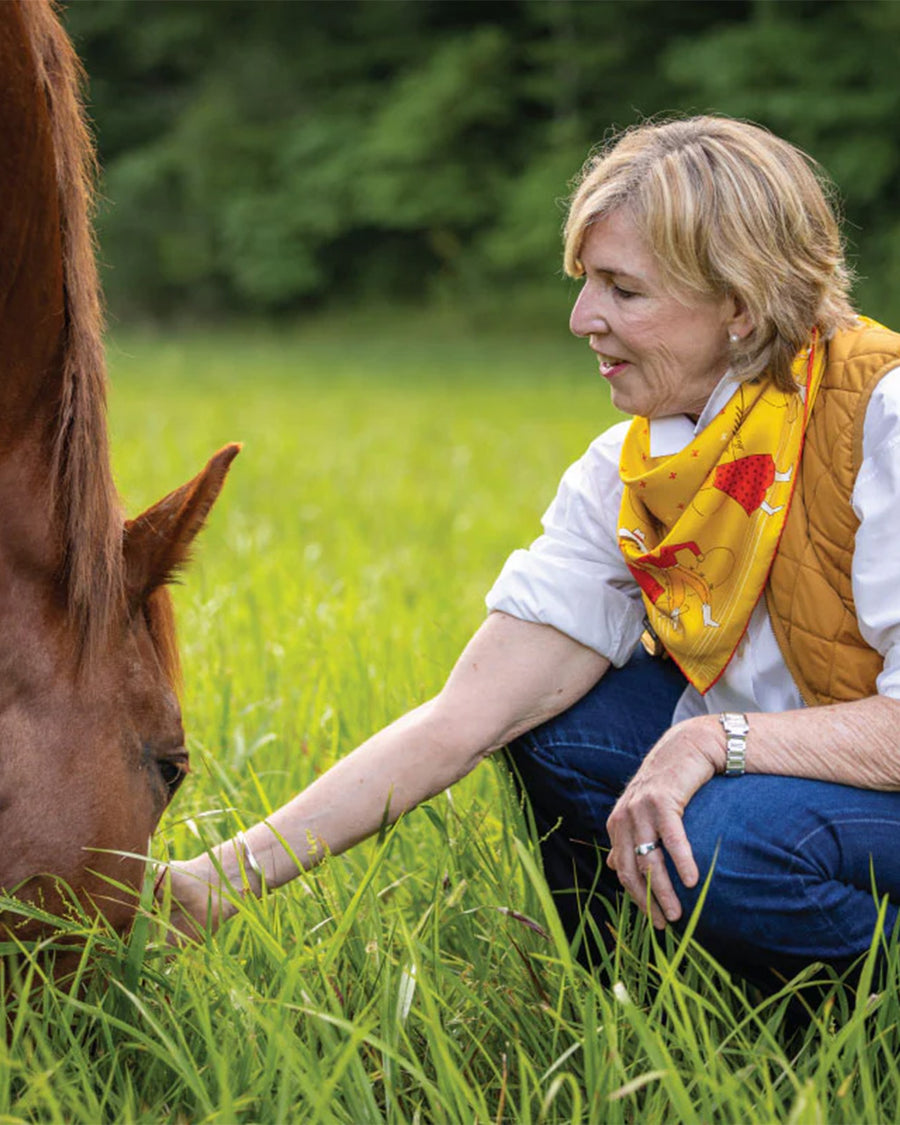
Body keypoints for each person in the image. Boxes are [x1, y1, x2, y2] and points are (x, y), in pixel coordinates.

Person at [160, 116, 900, 987]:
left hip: (856, 782)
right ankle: (659, 1001)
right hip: (793, 784)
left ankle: (861, 1029)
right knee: (560, 724)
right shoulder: (632, 475)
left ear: (738, 306)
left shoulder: (880, 418)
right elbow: (464, 717)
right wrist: (216, 882)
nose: (584, 317)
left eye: (624, 290)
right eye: (587, 282)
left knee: (724, 837)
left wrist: (715, 741)